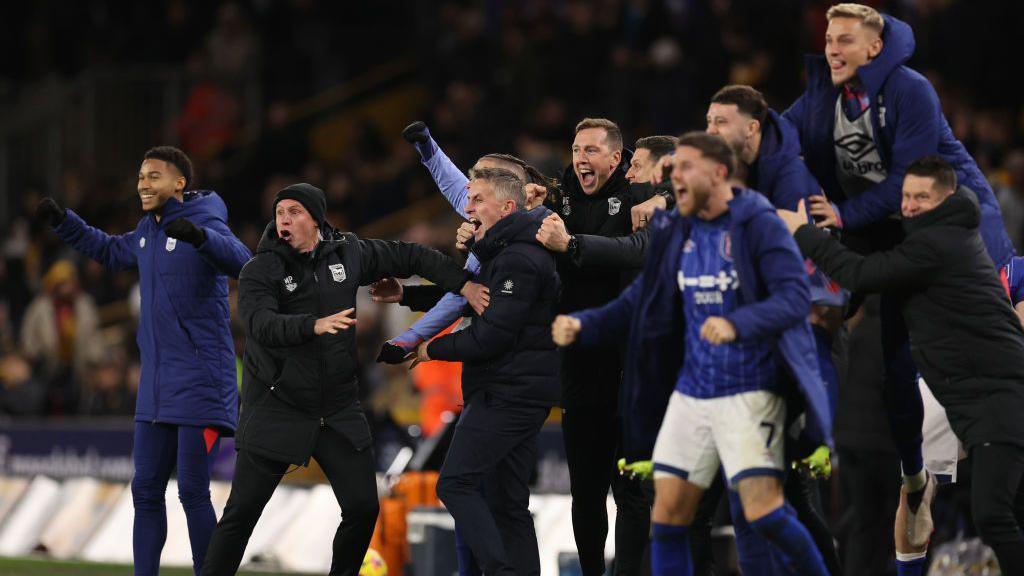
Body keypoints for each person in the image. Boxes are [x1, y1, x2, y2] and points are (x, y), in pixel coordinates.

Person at [783, 3, 1014, 542]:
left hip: (958, 240)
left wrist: (833, 218)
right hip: (885, 234)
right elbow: (776, 140)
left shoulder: (910, 91)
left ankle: (938, 475)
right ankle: (822, 445)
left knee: (948, 355)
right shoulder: (823, 97)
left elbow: (905, 188)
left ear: (875, 48)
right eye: (828, 39)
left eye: (844, 40)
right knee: (822, 310)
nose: (832, 49)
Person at [553, 132, 832, 576]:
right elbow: (642, 297)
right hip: (692, 392)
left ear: (719, 174)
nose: (674, 179)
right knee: (668, 518)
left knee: (765, 514)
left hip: (748, 388)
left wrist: (738, 323)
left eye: (685, 169)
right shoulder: (677, 229)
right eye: (673, 170)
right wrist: (586, 325)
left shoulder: (757, 222)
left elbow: (795, 299)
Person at [201, 183, 479, 576]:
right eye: (280, 212)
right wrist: (311, 326)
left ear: (315, 218)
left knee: (364, 507)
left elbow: (411, 255)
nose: (284, 219)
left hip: (335, 407)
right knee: (241, 514)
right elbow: (260, 325)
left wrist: (462, 283)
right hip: (276, 407)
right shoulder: (260, 269)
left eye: (294, 211)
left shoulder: (349, 253)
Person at [779, 156, 1024, 574]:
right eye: (906, 196)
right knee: (915, 491)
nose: (909, 205)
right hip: (952, 388)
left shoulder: (943, 244)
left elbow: (860, 273)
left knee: (992, 514)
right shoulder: (924, 236)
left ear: (949, 199)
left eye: (920, 197)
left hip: (993, 391)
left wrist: (802, 232)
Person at [36, 145, 252, 576]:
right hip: (156, 384)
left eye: (153, 176)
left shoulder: (206, 219)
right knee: (145, 491)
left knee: (192, 490)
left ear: (179, 183)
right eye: (140, 177)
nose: (143, 184)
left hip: (200, 379)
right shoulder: (147, 231)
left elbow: (243, 263)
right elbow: (110, 251)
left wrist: (201, 238)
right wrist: (66, 223)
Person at [412, 167, 560, 576]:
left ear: (507, 206)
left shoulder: (519, 257)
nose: (468, 206)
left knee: (453, 484)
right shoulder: (504, 251)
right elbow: (463, 296)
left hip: (507, 392)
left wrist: (431, 348)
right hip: (516, 390)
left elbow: (491, 336)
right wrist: (406, 295)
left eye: (477, 199)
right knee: (508, 504)